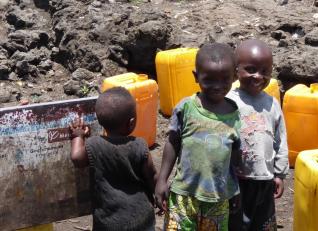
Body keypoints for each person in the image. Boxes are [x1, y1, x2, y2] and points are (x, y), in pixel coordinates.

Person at [155, 43, 241, 230]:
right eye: (209, 79)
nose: (217, 86)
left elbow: (234, 158)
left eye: (224, 80)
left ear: (235, 76)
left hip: (217, 199)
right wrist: (162, 180)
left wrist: (234, 190)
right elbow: (172, 143)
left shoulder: (235, 115)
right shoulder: (186, 108)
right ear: (196, 77)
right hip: (183, 195)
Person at [69, 87, 157, 231]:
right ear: (131, 122)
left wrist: (77, 136)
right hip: (142, 217)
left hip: (109, 221)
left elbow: (77, 158)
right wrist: (160, 197)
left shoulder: (94, 145)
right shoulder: (140, 145)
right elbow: (152, 175)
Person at [226, 39, 289, 231]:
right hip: (237, 179)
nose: (258, 76)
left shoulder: (272, 104)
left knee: (263, 222)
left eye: (265, 71)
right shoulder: (228, 101)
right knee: (236, 223)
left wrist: (279, 173)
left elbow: (280, 140)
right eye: (250, 69)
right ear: (236, 70)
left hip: (265, 178)